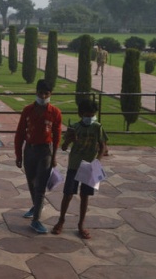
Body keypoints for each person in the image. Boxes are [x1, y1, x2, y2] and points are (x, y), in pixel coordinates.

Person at [52, 99, 108, 239]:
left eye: (92, 115)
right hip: (74, 165)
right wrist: (69, 140)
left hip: (89, 165)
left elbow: (103, 147)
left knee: (85, 196)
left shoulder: (97, 127)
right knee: (68, 194)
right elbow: (64, 147)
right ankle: (61, 220)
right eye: (87, 115)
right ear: (81, 114)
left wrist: (97, 162)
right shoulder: (75, 127)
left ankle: (81, 224)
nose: (90, 118)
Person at [14, 79, 63, 234]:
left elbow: (56, 137)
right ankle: (36, 206)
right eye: (40, 93)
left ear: (50, 94)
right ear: (36, 92)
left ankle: (36, 220)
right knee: (31, 182)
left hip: (45, 152)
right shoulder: (28, 110)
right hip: (30, 150)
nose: (43, 96)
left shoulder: (55, 112)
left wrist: (54, 156)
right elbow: (20, 133)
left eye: (46, 93)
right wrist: (18, 154)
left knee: (40, 185)